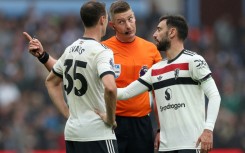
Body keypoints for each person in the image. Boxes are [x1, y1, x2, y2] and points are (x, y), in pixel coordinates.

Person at [24, 1, 162, 153]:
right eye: (121, 22)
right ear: (111, 24)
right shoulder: (103, 50)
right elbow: (72, 70)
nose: (128, 26)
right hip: (109, 119)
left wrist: (161, 128)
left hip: (140, 123)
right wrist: (43, 57)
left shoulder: (151, 50)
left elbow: (159, 91)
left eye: (130, 19)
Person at [116, 15, 221, 153]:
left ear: (172, 32)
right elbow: (124, 93)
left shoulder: (193, 60)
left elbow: (214, 95)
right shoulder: (156, 69)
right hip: (166, 147)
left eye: (159, 30)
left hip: (191, 145)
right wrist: (95, 89)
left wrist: (208, 129)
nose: (154, 35)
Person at [24, 1, 118, 153]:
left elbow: (52, 81)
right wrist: (110, 118)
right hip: (97, 134)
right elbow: (111, 87)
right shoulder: (102, 52)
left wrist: (67, 114)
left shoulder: (71, 49)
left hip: (73, 133)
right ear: (102, 19)